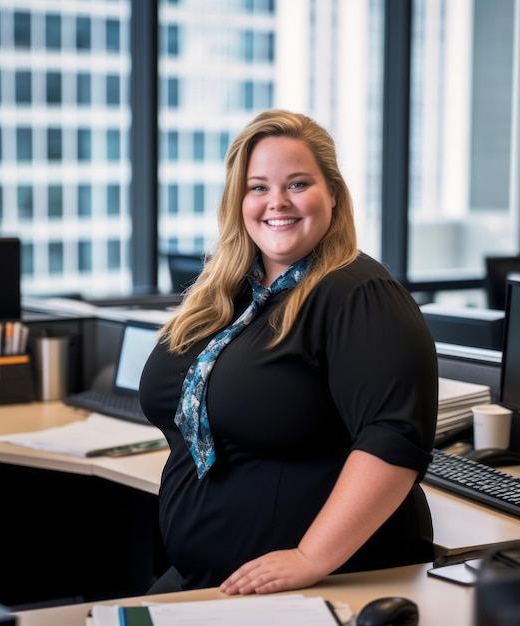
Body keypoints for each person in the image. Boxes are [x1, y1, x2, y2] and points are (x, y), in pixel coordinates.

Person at [139, 108, 438, 596]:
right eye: (258, 187)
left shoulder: (358, 293)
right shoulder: (230, 292)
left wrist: (309, 556)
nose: (276, 202)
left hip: (324, 582)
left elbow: (394, 439)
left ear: (334, 195)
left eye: (298, 184)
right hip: (214, 580)